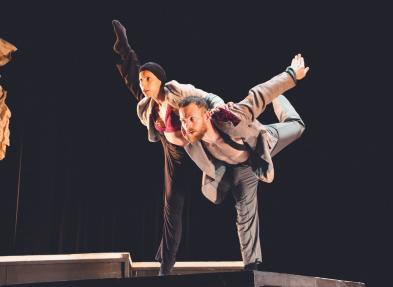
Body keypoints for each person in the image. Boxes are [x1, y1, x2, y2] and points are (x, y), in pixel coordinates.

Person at [111, 20, 224, 275]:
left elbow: (206, 97)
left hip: (197, 150)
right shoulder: (149, 104)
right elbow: (132, 77)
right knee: (172, 208)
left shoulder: (177, 92)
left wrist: (220, 107)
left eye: (147, 79)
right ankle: (166, 266)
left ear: (160, 80)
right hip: (174, 157)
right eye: (142, 80)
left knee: (219, 190)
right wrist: (125, 50)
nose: (143, 83)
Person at [178, 54, 309, 270]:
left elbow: (259, 94)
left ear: (206, 115)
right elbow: (162, 118)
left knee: (298, 126)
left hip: (261, 146)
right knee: (244, 212)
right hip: (240, 169)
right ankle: (252, 266)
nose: (187, 125)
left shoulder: (229, 117)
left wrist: (292, 74)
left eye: (191, 118)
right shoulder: (189, 140)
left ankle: (279, 98)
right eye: (183, 120)